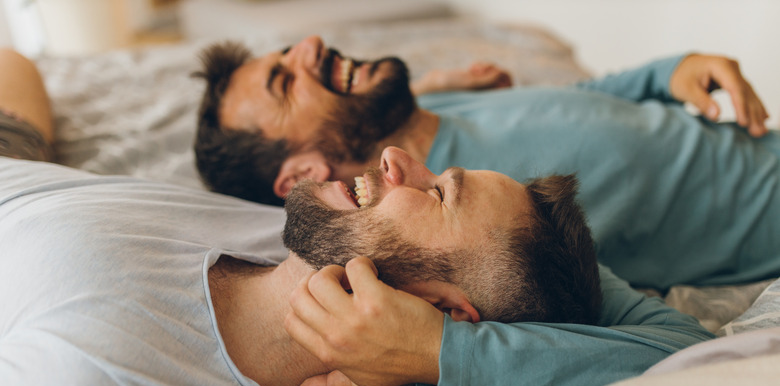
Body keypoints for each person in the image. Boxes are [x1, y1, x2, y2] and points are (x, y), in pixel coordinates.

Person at [0, 48, 712, 386]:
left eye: (437, 193)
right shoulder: (293, 222)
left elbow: (698, 370)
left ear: (444, 306)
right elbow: (682, 348)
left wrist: (446, 354)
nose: (396, 159)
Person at [193, 36, 780, 291]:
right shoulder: (477, 220)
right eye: (284, 80)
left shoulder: (420, 111)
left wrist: (667, 72)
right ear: (300, 177)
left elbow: (576, 106)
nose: (311, 45)